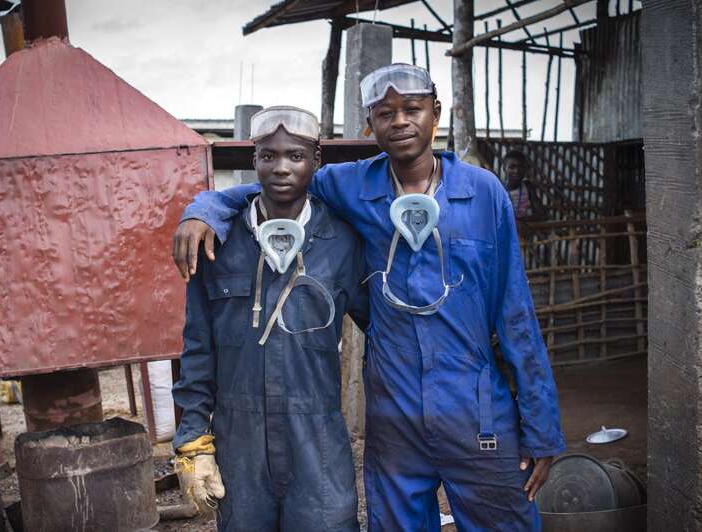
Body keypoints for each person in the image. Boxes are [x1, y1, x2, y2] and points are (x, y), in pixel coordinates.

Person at [172, 64, 565, 531]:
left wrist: (540, 426)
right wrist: (204, 208)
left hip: (475, 405)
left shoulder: (483, 194)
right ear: (369, 123)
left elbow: (515, 314)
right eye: (385, 112)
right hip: (394, 409)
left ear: (436, 114)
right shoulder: (351, 185)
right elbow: (275, 184)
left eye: (412, 109)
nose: (400, 121)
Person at [171, 106, 369, 532]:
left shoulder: (341, 242)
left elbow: (385, 331)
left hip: (316, 437)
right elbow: (198, 348)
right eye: (268, 156)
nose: (282, 168)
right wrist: (191, 436)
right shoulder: (216, 243)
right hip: (240, 441)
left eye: (296, 156)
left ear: (316, 161)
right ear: (253, 160)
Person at [503, 149, 549, 222]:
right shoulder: (498, 190)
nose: (516, 171)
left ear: (525, 169)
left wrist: (520, 221)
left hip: (524, 231)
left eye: (520, 167)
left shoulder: (527, 186)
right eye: (512, 167)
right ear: (504, 168)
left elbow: (542, 214)